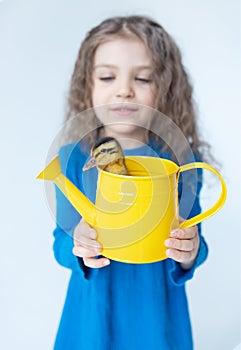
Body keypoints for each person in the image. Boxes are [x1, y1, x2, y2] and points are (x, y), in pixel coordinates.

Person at [52, 15, 209, 350]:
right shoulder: (72, 159)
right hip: (92, 318)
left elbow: (197, 243)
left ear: (165, 88)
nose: (124, 89)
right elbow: (60, 245)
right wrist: (78, 244)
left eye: (142, 78)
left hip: (156, 317)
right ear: (88, 86)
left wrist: (188, 251)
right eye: (107, 76)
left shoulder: (181, 161)